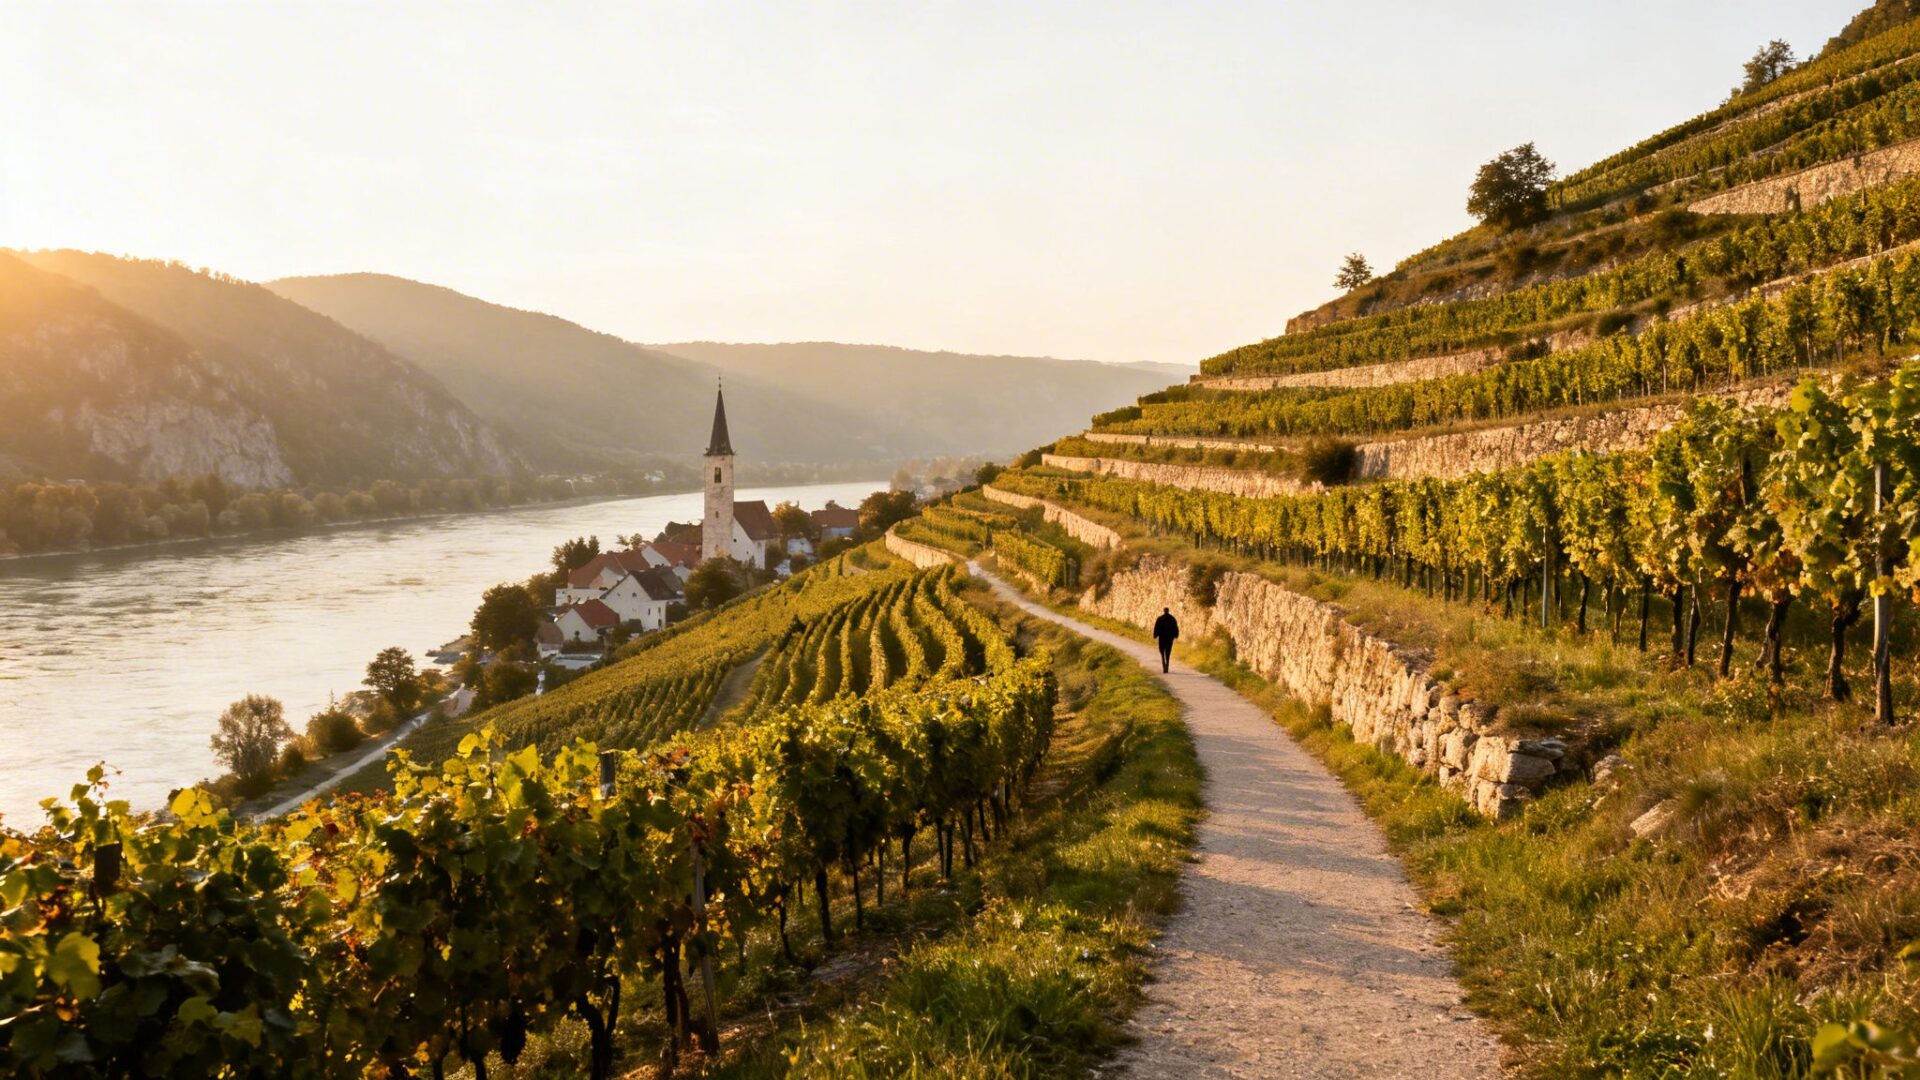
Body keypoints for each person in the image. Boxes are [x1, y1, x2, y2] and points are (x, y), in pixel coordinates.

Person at [1152, 607, 1179, 673]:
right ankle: (1166, 664)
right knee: (1168, 652)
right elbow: (1176, 628)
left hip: (1162, 638)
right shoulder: (1172, 618)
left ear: (1164, 611)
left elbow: (1156, 627)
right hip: (1169, 638)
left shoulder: (1160, 618)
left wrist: (1155, 635)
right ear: (1168, 611)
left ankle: (1164, 664)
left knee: (1162, 651)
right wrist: (1176, 635)